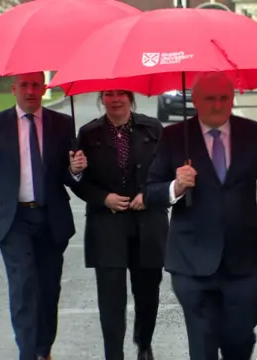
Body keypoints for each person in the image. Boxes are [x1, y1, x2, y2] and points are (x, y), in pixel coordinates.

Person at [144, 72, 257, 360]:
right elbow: (151, 192)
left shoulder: (253, 133)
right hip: (191, 260)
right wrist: (175, 186)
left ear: (232, 98)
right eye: (210, 99)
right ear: (196, 101)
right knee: (202, 342)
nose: (217, 105)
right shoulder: (176, 137)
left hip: (243, 260)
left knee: (239, 338)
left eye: (224, 98)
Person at [0, 72, 87, 360]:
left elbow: (68, 176)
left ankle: (43, 350)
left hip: (51, 219)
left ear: (44, 88)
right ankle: (28, 354)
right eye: (24, 85)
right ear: (14, 89)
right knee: (24, 285)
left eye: (35, 85)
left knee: (48, 288)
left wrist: (76, 169)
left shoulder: (62, 124)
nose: (30, 91)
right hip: (12, 220)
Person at [73, 90, 167, 360]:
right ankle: (113, 354)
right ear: (102, 99)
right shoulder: (88, 134)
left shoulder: (153, 129)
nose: (115, 100)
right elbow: (78, 183)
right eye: (109, 94)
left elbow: (167, 172)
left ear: (130, 97)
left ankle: (144, 344)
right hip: (107, 228)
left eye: (121, 94)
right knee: (111, 300)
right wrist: (97, 191)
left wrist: (150, 195)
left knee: (148, 294)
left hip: (149, 225)